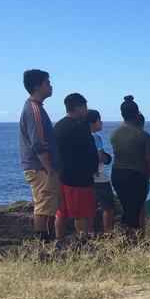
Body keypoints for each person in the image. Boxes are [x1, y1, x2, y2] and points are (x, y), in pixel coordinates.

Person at [110, 96, 150, 241]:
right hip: (135, 175)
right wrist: (148, 173)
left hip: (117, 174)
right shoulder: (143, 135)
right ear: (137, 114)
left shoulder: (115, 133)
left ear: (122, 114)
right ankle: (136, 241)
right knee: (136, 209)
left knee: (127, 209)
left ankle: (126, 240)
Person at [18, 69, 59, 242]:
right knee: (43, 207)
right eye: (47, 83)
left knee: (49, 206)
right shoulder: (34, 110)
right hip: (40, 168)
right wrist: (49, 168)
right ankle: (44, 244)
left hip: (41, 167)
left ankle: (48, 240)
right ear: (37, 87)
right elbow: (38, 143)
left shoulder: (36, 108)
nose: (50, 87)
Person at [53, 93, 99, 239]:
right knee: (82, 215)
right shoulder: (80, 129)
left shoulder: (57, 126)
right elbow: (91, 155)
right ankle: (82, 245)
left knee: (61, 213)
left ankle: (58, 242)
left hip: (61, 175)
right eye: (85, 108)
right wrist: (92, 170)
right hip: (79, 177)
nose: (86, 111)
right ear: (78, 108)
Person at [85, 110, 114, 237]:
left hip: (87, 177)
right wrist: (107, 157)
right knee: (107, 206)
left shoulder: (82, 137)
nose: (101, 122)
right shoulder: (95, 138)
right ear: (92, 123)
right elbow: (99, 156)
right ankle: (107, 232)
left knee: (90, 206)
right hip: (100, 176)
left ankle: (90, 231)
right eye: (99, 120)